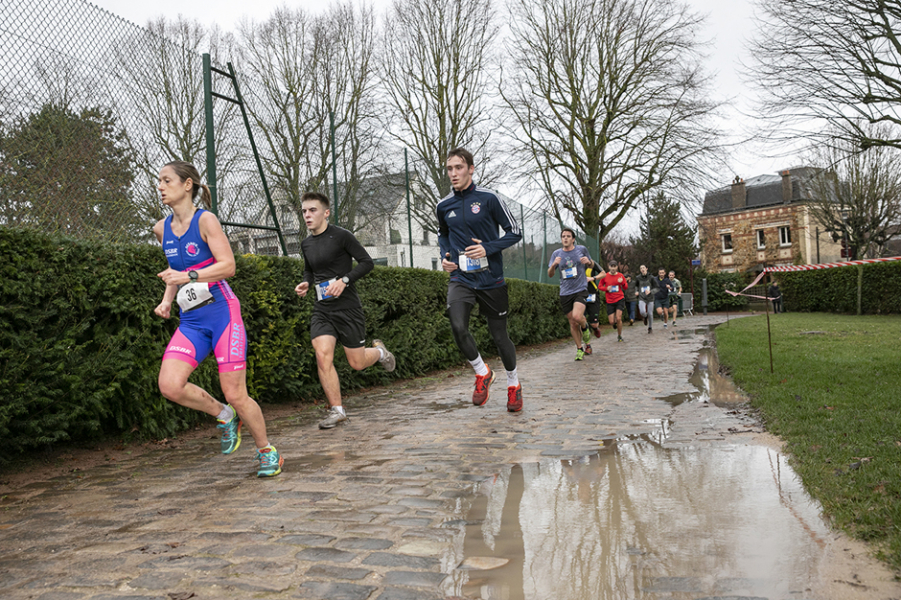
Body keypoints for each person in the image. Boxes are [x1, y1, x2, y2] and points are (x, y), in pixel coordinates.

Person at [153, 160, 283, 477]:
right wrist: (166, 300)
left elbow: (227, 266)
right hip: (192, 322)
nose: (160, 186)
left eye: (166, 180)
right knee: (169, 385)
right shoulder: (161, 229)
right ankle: (223, 414)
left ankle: (268, 452)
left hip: (224, 314)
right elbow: (175, 272)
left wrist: (190, 275)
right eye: (159, 181)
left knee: (236, 392)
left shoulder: (206, 220)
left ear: (187, 185)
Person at [294, 192, 396, 430]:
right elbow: (309, 270)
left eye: (313, 210)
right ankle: (337, 410)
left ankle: (380, 352)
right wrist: (306, 283)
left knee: (357, 363)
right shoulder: (306, 243)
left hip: (348, 308)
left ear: (326, 212)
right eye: (304, 211)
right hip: (323, 309)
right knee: (322, 354)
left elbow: (366, 262)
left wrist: (345, 280)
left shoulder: (342, 236)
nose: (307, 215)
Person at [438, 148, 524, 412]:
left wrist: (488, 247)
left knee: (499, 336)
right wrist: (445, 256)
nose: (453, 173)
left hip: (491, 279)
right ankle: (482, 372)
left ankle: (513, 384)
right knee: (457, 326)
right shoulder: (443, 205)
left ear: (471, 169)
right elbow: (443, 236)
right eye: (450, 169)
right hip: (461, 277)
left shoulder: (489, 198)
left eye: (459, 168)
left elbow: (515, 231)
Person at [548, 228, 594, 360]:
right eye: (563, 236)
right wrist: (554, 265)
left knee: (577, 316)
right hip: (565, 292)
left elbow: (591, 265)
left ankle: (585, 328)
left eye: (568, 236)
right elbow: (550, 274)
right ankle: (579, 349)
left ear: (573, 239)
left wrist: (588, 262)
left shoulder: (581, 249)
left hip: (580, 289)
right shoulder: (556, 254)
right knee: (573, 323)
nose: (565, 238)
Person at [597, 260, 628, 342]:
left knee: (618, 318)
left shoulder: (620, 275)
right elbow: (599, 286)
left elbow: (625, 287)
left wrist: (622, 283)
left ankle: (619, 335)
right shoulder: (605, 276)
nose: (613, 268)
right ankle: (614, 324)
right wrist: (606, 288)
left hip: (619, 299)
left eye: (614, 266)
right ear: (609, 267)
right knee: (611, 321)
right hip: (610, 301)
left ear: (617, 267)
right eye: (611, 266)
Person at [584, 259, 605, 343]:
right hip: (580, 295)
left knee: (594, 323)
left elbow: (604, 273)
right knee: (581, 320)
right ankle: (587, 344)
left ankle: (595, 328)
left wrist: (592, 278)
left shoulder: (591, 263)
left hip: (592, 293)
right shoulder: (573, 264)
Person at [634, 265, 658, 333]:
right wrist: (636, 291)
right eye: (641, 268)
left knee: (650, 313)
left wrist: (651, 291)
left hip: (650, 298)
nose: (642, 269)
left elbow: (657, 287)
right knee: (642, 311)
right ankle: (645, 316)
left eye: (643, 268)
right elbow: (636, 285)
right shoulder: (638, 277)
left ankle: (650, 327)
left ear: (646, 269)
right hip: (642, 297)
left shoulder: (651, 277)